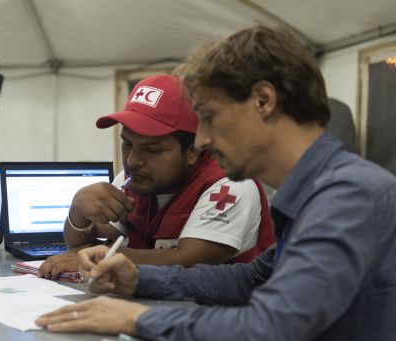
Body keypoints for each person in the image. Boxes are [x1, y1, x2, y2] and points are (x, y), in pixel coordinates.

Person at [36, 26, 396, 341]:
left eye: (208, 117)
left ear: (263, 100)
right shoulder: (318, 189)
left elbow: (268, 335)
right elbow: (250, 279)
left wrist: (139, 317)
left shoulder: (348, 195)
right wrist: (137, 280)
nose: (202, 139)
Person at [38, 75, 274, 280]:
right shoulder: (136, 177)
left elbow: (189, 261)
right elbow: (80, 246)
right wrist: (78, 209)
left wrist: (101, 256)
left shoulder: (231, 183)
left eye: (153, 150)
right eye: (127, 143)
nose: (132, 160)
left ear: (193, 150)